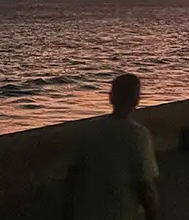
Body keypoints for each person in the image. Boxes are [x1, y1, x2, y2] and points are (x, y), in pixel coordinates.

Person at [64, 73, 159, 220]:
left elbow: (72, 176)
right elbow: (143, 186)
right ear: (137, 99)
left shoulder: (88, 129)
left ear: (111, 97)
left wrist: (68, 212)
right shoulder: (138, 134)